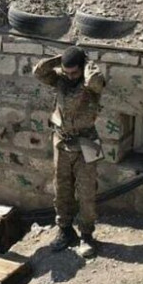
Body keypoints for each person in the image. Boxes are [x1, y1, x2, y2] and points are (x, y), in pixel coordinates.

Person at [33, 46, 105, 258]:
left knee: (86, 192)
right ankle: (65, 230)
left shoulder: (91, 82)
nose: (70, 76)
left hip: (87, 141)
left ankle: (86, 235)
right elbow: (39, 72)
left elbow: (95, 81)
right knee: (61, 189)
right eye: (67, 72)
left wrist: (87, 62)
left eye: (74, 72)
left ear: (82, 68)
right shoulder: (60, 79)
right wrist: (60, 59)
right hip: (62, 141)